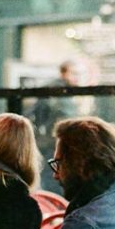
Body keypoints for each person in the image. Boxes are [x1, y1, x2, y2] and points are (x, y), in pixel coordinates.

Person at [29, 60, 79, 195]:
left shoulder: (63, 92)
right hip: (54, 144)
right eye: (74, 73)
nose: (77, 77)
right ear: (64, 73)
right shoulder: (59, 93)